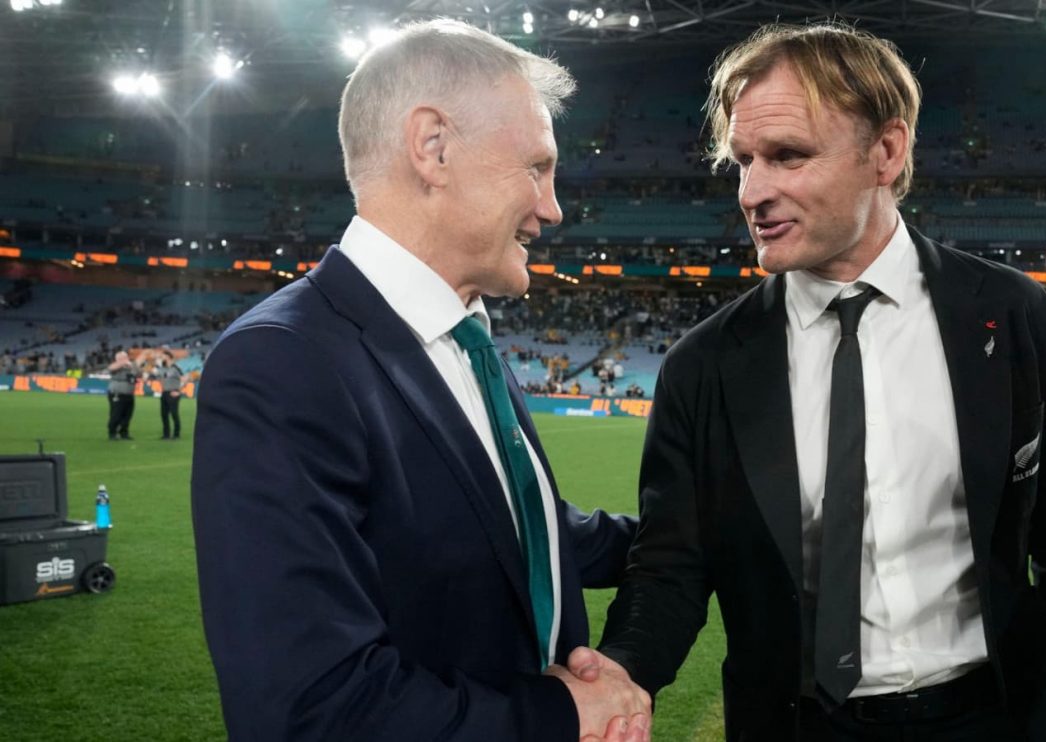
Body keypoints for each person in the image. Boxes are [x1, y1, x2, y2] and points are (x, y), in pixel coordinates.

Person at [586, 23, 1046, 742]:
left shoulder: (1008, 314)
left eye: (787, 156)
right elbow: (672, 563)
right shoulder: (702, 365)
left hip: (991, 718)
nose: (752, 192)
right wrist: (623, 672)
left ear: (886, 153)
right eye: (742, 161)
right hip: (796, 726)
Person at [191, 20, 650, 742]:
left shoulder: (466, 336)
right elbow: (308, 709)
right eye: (537, 167)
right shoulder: (282, 363)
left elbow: (521, 530)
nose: (553, 207)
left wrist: (691, 535)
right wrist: (559, 714)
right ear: (433, 147)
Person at [105, 350, 139, 440]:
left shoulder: (131, 366)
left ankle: (124, 432)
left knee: (127, 415)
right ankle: (112, 432)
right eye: (122, 358)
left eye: (126, 357)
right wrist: (123, 363)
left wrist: (133, 366)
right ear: (117, 359)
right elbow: (111, 368)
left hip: (129, 394)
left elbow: (139, 372)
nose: (125, 359)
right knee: (116, 414)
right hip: (117, 394)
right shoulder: (116, 366)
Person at [151, 348, 184, 439]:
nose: (161, 358)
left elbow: (184, 378)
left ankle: (176, 434)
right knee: (164, 414)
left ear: (169, 357)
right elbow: (158, 377)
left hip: (173, 392)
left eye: (163, 356)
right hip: (165, 392)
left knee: (174, 414)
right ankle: (166, 434)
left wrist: (178, 391)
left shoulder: (175, 368)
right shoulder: (162, 368)